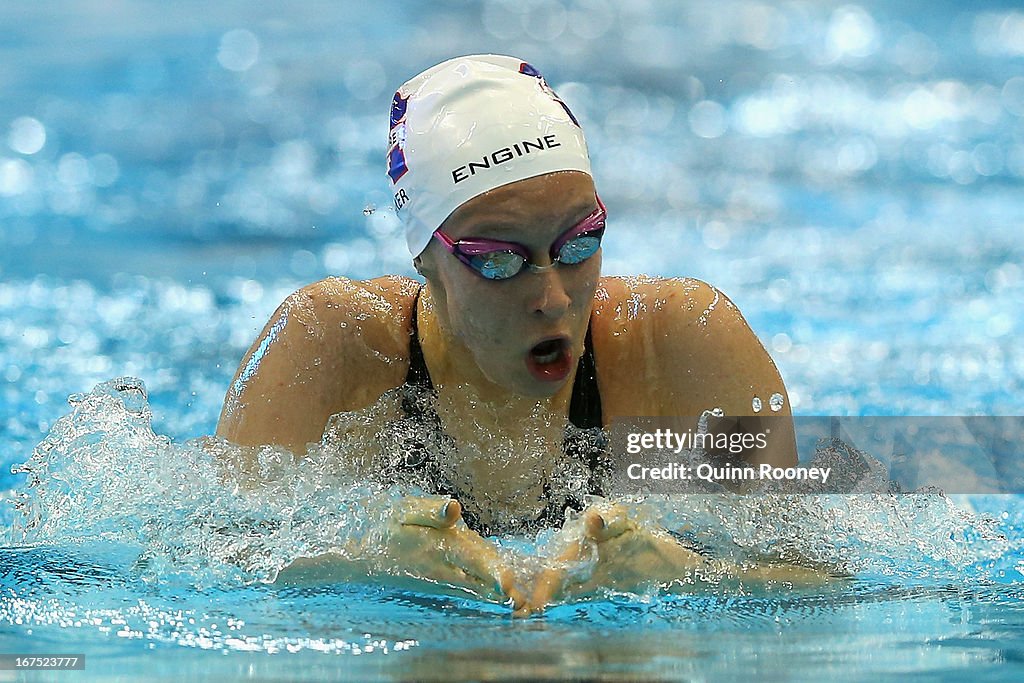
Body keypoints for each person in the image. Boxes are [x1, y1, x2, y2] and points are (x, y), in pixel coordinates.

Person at [216, 55, 809, 615]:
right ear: (425, 259)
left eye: (580, 243)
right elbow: (204, 565)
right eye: (500, 260)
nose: (552, 297)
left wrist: (679, 569)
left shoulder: (681, 344)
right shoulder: (334, 347)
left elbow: (813, 583)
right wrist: (359, 561)